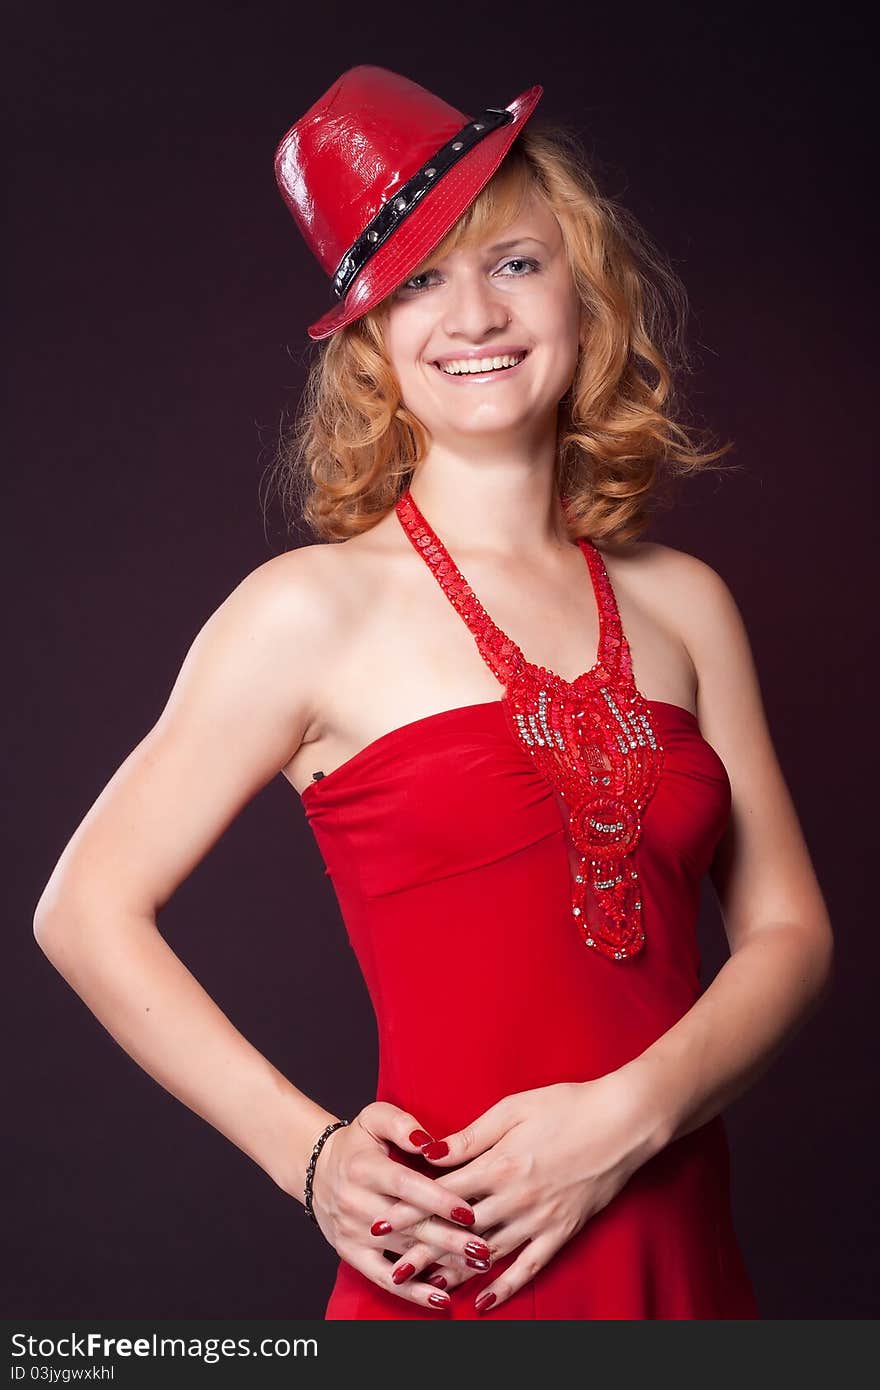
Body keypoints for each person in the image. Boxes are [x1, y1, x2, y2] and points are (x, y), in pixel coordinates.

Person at [34, 65, 834, 1321]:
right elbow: (83, 910)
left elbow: (790, 931)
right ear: (370, 338)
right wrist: (307, 1154)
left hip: (684, 1254)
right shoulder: (306, 609)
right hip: (456, 1265)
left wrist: (626, 1117)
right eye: (415, 281)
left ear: (583, 294)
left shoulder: (686, 601)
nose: (472, 314)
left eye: (513, 262)